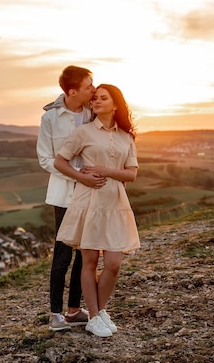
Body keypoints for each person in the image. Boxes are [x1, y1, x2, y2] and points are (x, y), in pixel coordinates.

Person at [53, 84, 140, 338]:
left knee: (113, 263)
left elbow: (132, 174)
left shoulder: (126, 136)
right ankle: (94, 316)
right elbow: (60, 161)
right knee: (89, 261)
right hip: (89, 201)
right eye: (95, 98)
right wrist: (83, 178)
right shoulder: (84, 132)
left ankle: (98, 313)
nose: (97, 101)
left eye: (104, 98)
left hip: (115, 203)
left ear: (116, 104)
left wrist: (104, 171)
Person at [36, 65, 102, 331]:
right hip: (64, 193)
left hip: (90, 192)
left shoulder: (91, 113)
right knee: (62, 255)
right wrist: (76, 175)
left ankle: (74, 310)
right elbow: (45, 159)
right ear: (72, 91)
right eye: (89, 86)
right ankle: (55, 314)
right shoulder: (51, 118)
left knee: (85, 252)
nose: (94, 89)